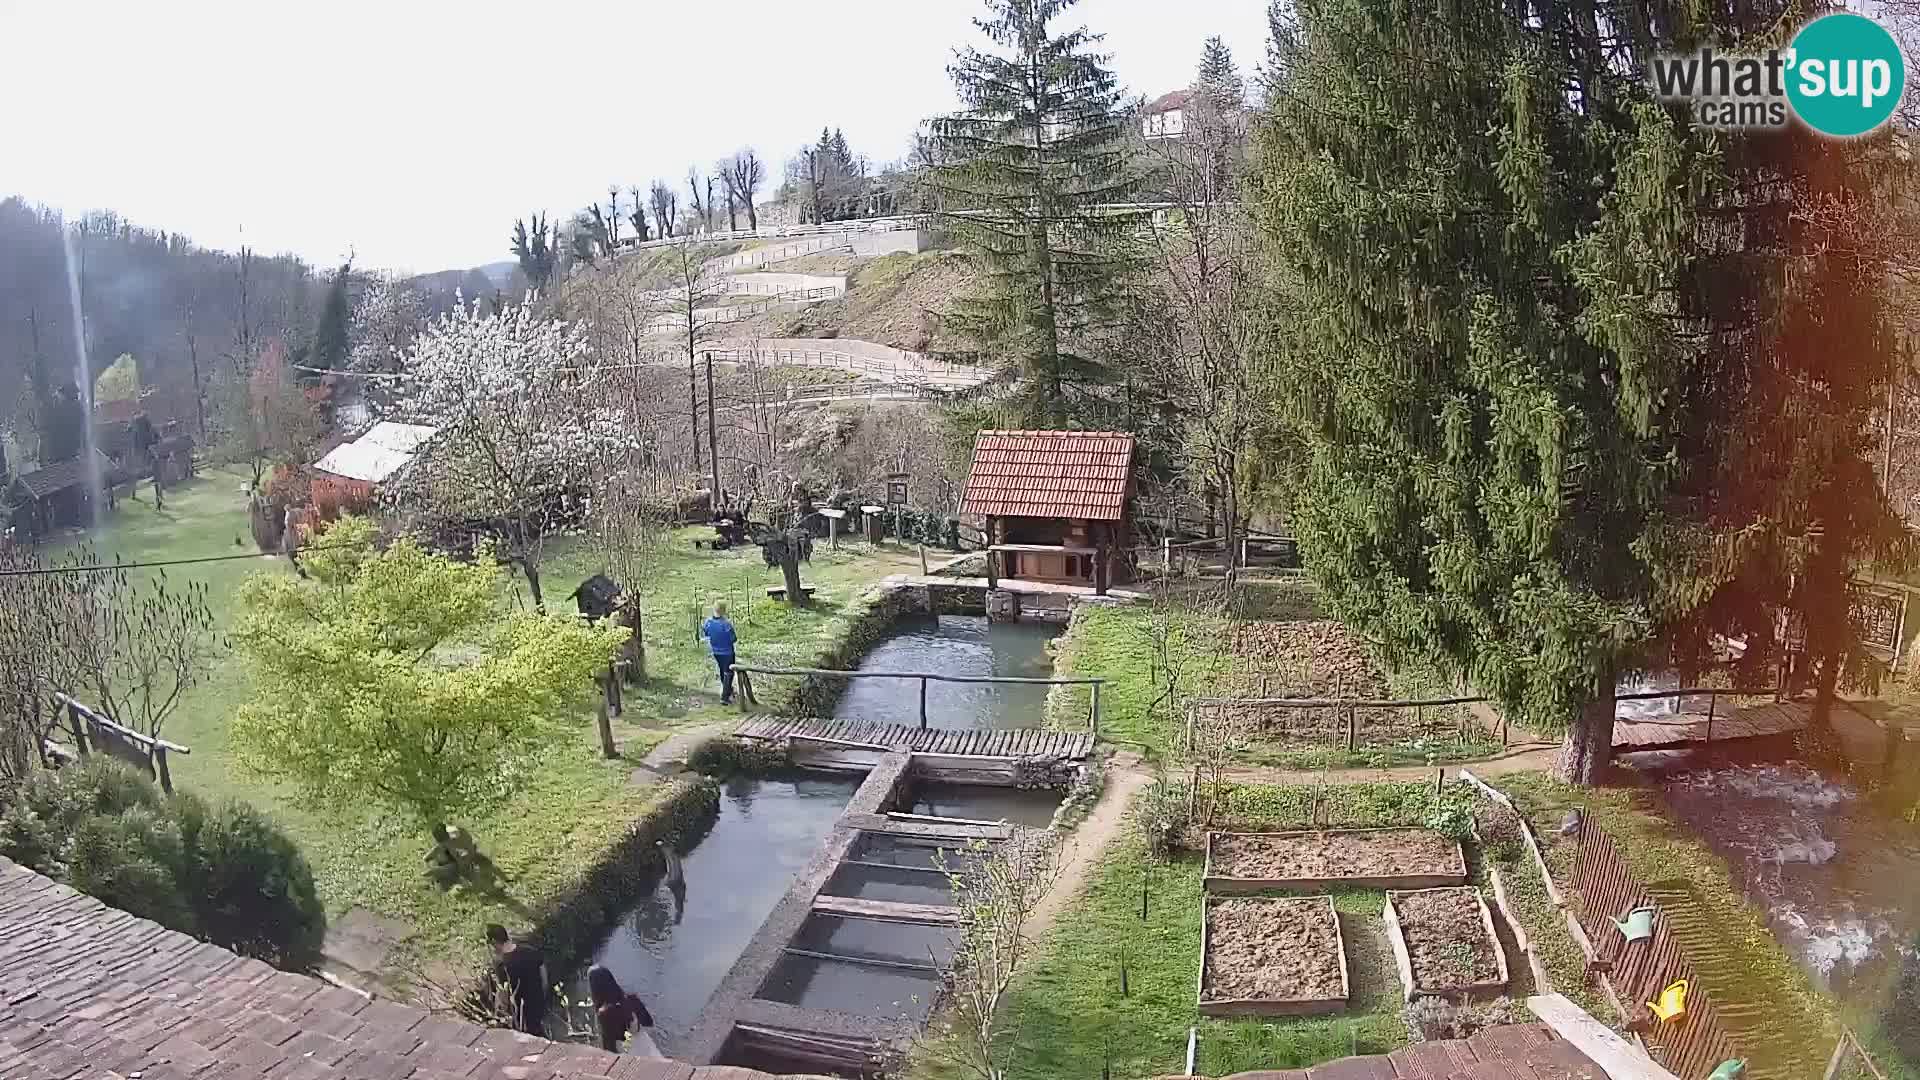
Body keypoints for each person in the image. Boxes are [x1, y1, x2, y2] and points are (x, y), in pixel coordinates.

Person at [486, 924, 550, 1036]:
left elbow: (503, 994)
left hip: (521, 1011)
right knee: (539, 1030)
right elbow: (543, 974)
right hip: (538, 1002)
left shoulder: (503, 966)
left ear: (494, 942)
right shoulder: (530, 951)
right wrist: (543, 993)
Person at [586, 965, 657, 1055]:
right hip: (647, 1048)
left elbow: (609, 1047)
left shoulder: (604, 1014)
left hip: (627, 1056)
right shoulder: (632, 999)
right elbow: (649, 1022)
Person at [699, 601, 738, 704]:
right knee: (729, 673)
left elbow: (705, 633)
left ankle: (728, 690)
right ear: (724, 610)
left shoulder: (708, 622)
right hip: (727, 652)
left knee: (722, 671)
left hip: (716, 652)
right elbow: (734, 639)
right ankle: (725, 697)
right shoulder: (726, 624)